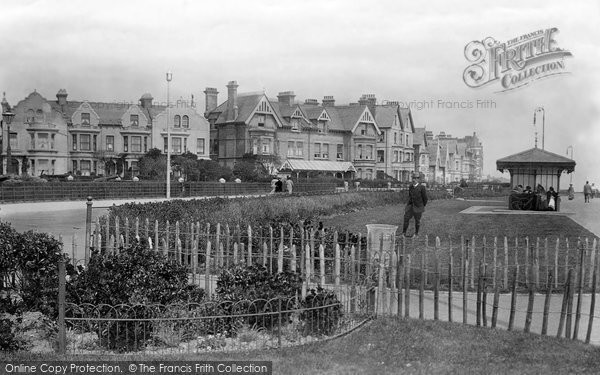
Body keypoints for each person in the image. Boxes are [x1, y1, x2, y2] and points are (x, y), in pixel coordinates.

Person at [402, 172, 428, 238]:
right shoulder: (411, 187)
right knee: (406, 219)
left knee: (417, 221)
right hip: (410, 207)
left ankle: (416, 234)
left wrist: (421, 206)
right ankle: (403, 233)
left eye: (416, 178)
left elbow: (425, 199)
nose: (414, 180)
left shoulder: (422, 187)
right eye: (413, 178)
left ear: (418, 179)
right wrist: (407, 207)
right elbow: (410, 197)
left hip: (418, 207)